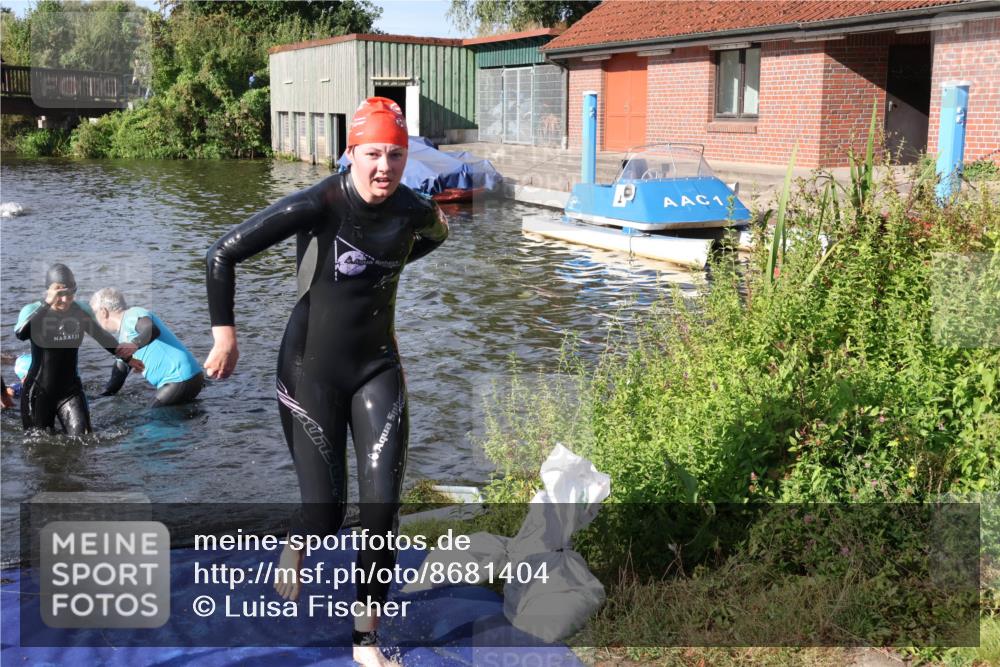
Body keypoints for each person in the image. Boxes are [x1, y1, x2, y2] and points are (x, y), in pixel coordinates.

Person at [204, 97, 448, 667]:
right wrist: (224, 337)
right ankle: (299, 540)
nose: (384, 167)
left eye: (395, 155)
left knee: (382, 511)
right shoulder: (320, 203)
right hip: (309, 371)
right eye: (372, 154)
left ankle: (365, 641)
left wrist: (388, 262)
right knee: (326, 516)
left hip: (377, 367)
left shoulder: (414, 210)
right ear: (350, 153)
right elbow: (221, 255)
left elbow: (437, 236)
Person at [14, 264, 143, 435]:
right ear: (48, 291)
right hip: (39, 392)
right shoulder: (33, 310)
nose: (65, 300)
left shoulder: (79, 311)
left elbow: (102, 337)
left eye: (69, 293)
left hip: (70, 390)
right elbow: (21, 334)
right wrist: (47, 304)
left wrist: (128, 359)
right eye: (59, 294)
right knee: (37, 443)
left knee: (84, 439)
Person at [90, 288, 204, 406]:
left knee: (152, 416)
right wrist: (97, 398)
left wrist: (134, 344)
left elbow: (151, 329)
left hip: (179, 379)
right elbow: (118, 375)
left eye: (95, 313)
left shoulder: (133, 314)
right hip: (187, 378)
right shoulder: (124, 337)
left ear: (103, 312)